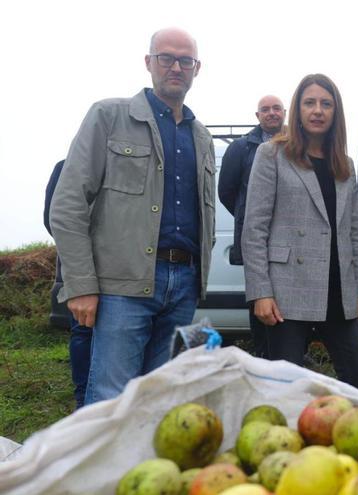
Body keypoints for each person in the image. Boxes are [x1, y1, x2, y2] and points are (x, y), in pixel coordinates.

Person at [50, 28, 214, 405]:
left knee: (160, 400)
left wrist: (196, 280)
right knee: (111, 400)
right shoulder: (109, 116)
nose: (176, 67)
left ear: (196, 69)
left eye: (185, 60)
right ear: (148, 63)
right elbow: (68, 203)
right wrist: (81, 284)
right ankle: (104, 465)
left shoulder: (201, 137)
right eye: (166, 58)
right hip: (122, 286)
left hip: (184, 285)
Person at [242, 74, 358, 392]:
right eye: (309, 102)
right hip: (287, 292)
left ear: (335, 112)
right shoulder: (271, 154)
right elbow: (255, 228)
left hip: (338, 290)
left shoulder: (345, 165)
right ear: (297, 110)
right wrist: (261, 292)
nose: (318, 110)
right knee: (286, 387)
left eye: (326, 104)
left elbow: (354, 231)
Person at [218, 95, 286, 358]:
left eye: (276, 108)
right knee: (260, 299)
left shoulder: (298, 145)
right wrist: (248, 218)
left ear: (284, 112)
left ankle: (292, 354)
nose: (271, 113)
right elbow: (227, 192)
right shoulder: (242, 148)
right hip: (256, 237)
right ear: (257, 116)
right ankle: (262, 358)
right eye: (265, 110)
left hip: (291, 238)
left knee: (291, 299)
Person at [44, 159, 92, 409]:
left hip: (118, 263)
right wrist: (77, 247)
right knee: (82, 330)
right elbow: (52, 218)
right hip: (78, 266)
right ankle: (83, 398)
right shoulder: (65, 167)